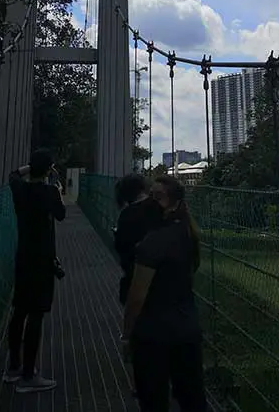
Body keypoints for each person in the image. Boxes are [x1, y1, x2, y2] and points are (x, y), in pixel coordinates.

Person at [123, 175, 207, 412]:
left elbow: (136, 298)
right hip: (187, 331)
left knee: (153, 402)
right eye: (151, 195)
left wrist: (126, 335)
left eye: (158, 197)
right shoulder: (188, 235)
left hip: (153, 336)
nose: (151, 202)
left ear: (175, 204)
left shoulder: (152, 244)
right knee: (193, 400)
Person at [3, 148, 66, 394]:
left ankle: (13, 368)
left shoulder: (21, 190)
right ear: (50, 169)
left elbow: (12, 175)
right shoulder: (50, 192)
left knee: (20, 311)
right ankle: (29, 376)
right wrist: (57, 187)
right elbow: (61, 215)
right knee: (37, 313)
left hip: (23, 257)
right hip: (42, 260)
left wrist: (32, 167)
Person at [113, 173, 163, 305]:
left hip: (136, 276)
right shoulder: (159, 207)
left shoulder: (126, 215)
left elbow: (121, 247)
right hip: (165, 277)